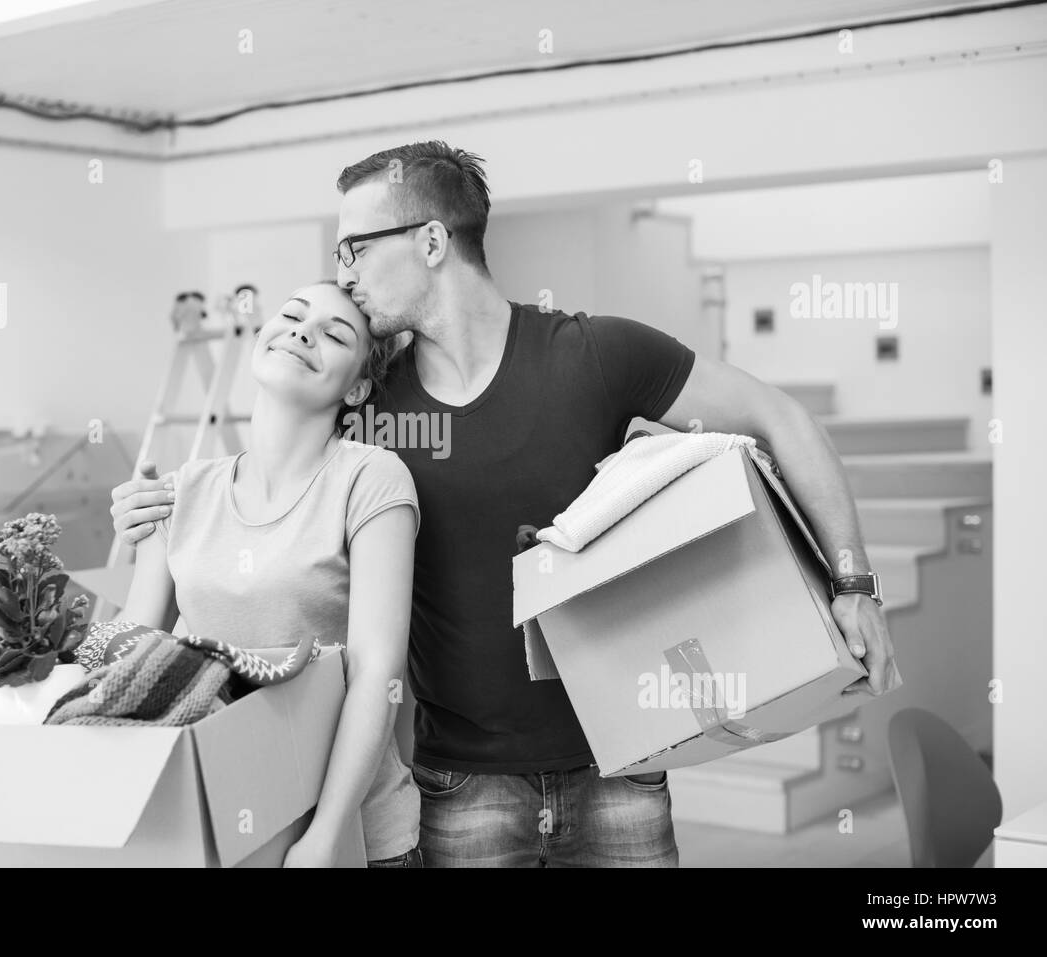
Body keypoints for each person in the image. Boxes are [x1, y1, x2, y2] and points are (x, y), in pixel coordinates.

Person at [113, 141, 898, 868]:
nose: (344, 270)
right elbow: (272, 475)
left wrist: (853, 581)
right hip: (459, 788)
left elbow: (781, 418)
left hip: (620, 767)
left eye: (357, 246)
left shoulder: (593, 356)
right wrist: (166, 508)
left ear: (429, 242)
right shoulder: (368, 397)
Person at [115, 279, 422, 868]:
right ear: (262, 337)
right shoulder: (183, 491)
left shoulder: (372, 479)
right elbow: (136, 649)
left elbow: (377, 671)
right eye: (292, 316)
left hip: (355, 834)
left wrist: (326, 835)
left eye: (335, 334)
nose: (305, 331)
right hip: (226, 824)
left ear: (358, 387)